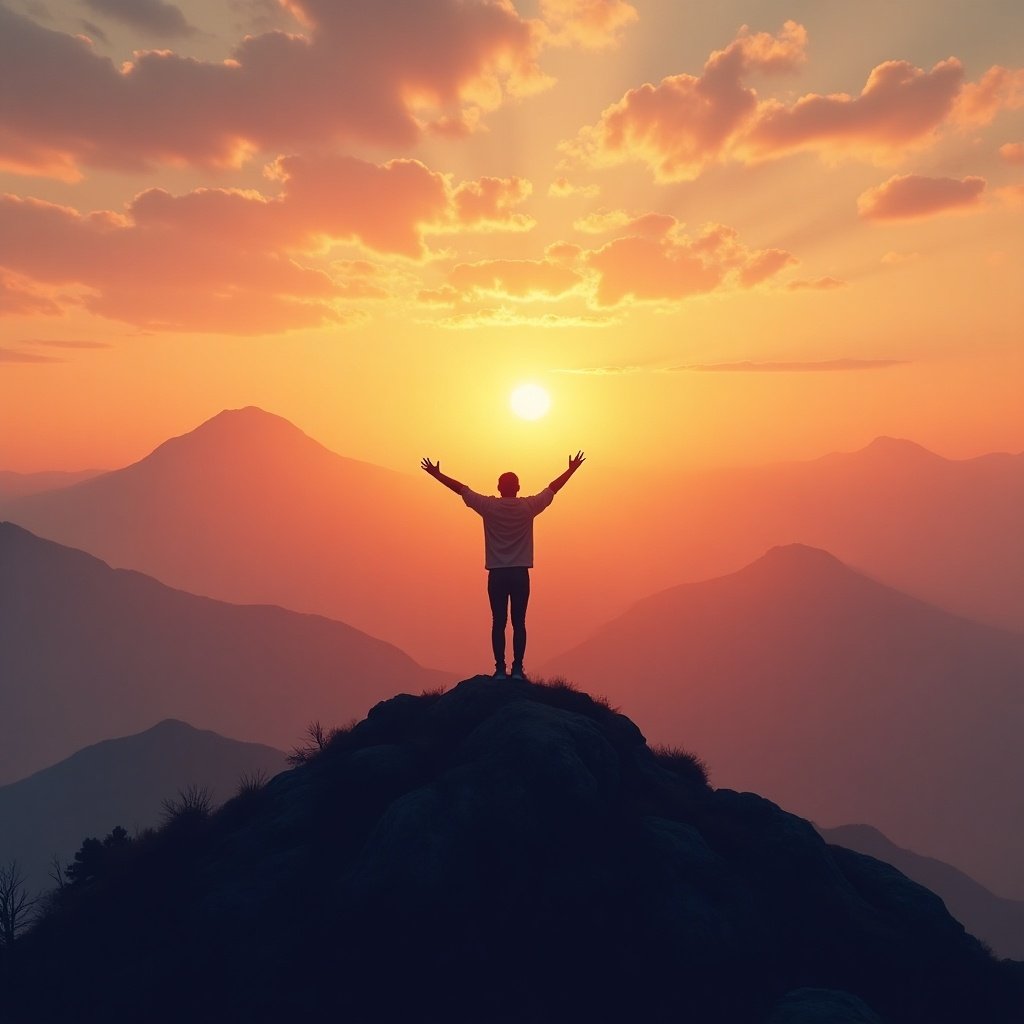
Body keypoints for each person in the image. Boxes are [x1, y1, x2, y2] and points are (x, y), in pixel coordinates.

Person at [421, 452, 585, 680]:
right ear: (518, 488)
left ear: (499, 488)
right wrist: (572, 469)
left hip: (497, 574)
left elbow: (461, 489)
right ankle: (517, 670)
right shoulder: (528, 507)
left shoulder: (489, 507)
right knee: (519, 622)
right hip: (520, 573)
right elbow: (552, 488)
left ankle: (500, 669)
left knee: (498, 622)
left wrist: (436, 474)